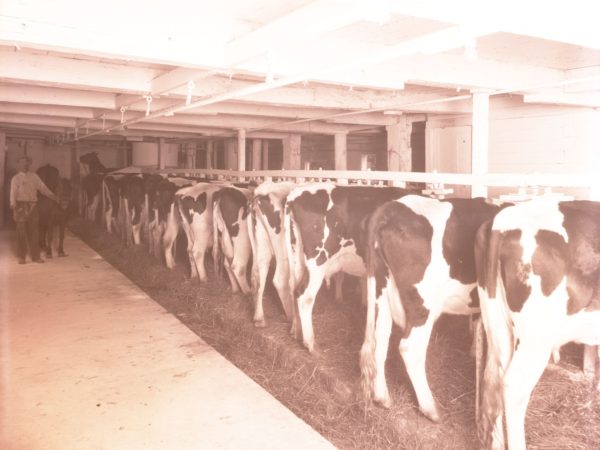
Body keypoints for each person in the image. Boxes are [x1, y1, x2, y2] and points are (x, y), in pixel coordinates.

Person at [10, 156, 58, 264]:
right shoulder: (16, 178)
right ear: (18, 164)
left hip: (33, 206)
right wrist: (14, 209)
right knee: (21, 232)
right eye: (22, 163)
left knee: (34, 232)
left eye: (27, 163)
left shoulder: (35, 176)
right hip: (20, 207)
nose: (24, 165)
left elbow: (43, 188)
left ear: (29, 164)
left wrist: (53, 196)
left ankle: (36, 256)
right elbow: (12, 194)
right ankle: (22, 257)